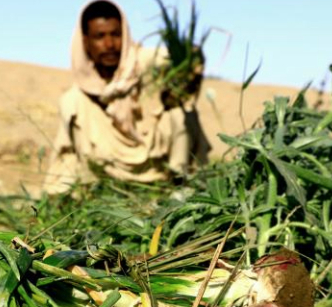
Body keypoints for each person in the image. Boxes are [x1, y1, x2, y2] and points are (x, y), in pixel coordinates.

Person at [43, 0, 210, 194]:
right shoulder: (78, 97)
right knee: (72, 103)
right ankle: (93, 195)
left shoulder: (142, 63)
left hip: (156, 167)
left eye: (116, 34)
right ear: (86, 42)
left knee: (182, 113)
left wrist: (186, 63)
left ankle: (184, 189)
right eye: (99, 36)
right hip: (105, 181)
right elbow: (65, 155)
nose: (109, 44)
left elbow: (185, 59)